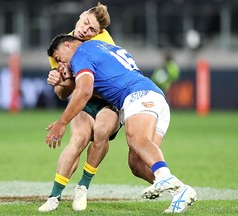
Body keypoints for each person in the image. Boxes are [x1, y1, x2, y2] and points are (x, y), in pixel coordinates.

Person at [45, 34, 197, 213]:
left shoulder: (81, 54)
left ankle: (164, 177)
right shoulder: (101, 47)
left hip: (138, 95)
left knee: (136, 139)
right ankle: (181, 191)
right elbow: (102, 83)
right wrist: (66, 80)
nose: (59, 62)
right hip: (153, 98)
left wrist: (62, 123)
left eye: (58, 57)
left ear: (68, 46)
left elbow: (85, 91)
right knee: (137, 164)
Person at [38, 3, 120, 212]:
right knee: (79, 139)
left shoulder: (103, 42)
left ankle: (83, 186)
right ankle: (54, 196)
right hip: (83, 100)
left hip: (106, 100)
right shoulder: (61, 46)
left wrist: (68, 82)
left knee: (101, 131)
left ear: (99, 32)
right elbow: (61, 94)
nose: (85, 29)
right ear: (82, 15)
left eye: (92, 29)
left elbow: (98, 82)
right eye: (85, 23)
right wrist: (58, 79)